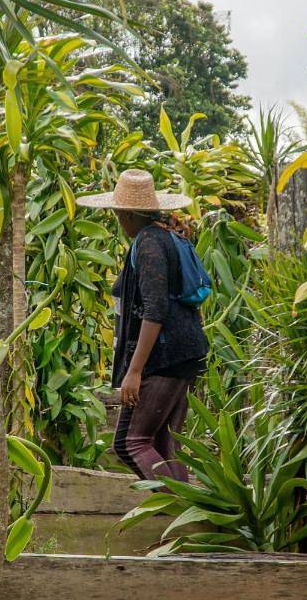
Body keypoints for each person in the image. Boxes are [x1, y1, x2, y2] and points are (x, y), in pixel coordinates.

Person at [78, 169, 209, 482]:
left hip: (165, 357)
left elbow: (155, 310)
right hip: (186, 350)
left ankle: (183, 516)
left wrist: (134, 371)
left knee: (131, 443)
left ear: (125, 215)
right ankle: (187, 522)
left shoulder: (148, 243)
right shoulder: (165, 235)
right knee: (165, 445)